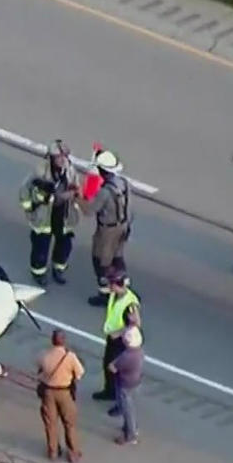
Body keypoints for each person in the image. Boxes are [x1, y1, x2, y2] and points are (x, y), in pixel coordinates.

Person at [19, 140, 82, 285]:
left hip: (63, 215)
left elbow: (76, 186)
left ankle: (58, 269)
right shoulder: (40, 172)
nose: (62, 160)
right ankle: (38, 273)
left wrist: (75, 193)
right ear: (51, 158)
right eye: (58, 157)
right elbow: (24, 189)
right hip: (44, 217)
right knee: (41, 248)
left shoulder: (70, 170)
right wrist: (30, 208)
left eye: (64, 156)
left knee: (64, 246)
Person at [78, 147, 133, 307]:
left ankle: (105, 293)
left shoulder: (105, 193)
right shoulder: (124, 184)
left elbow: (89, 210)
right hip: (123, 226)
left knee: (100, 260)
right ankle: (124, 288)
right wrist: (127, 226)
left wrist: (77, 197)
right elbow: (129, 207)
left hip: (107, 230)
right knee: (118, 257)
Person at [36, 330, 85, 462]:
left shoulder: (44, 355)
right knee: (69, 423)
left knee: (50, 423)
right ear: (64, 341)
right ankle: (73, 453)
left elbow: (39, 370)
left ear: (52, 341)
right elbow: (80, 374)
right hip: (64, 392)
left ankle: (53, 451)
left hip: (48, 393)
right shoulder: (70, 357)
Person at [92, 269, 140, 403]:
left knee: (116, 370)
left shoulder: (130, 303)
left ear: (117, 285)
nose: (109, 286)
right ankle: (109, 391)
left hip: (121, 341)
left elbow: (136, 323)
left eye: (111, 284)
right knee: (107, 364)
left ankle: (119, 399)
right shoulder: (115, 294)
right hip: (112, 338)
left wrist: (119, 333)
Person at [106, 325, 145, 445]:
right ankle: (130, 427)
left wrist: (112, 364)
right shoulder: (139, 351)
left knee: (127, 409)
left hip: (125, 384)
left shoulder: (126, 356)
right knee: (130, 407)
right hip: (136, 381)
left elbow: (112, 368)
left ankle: (131, 434)